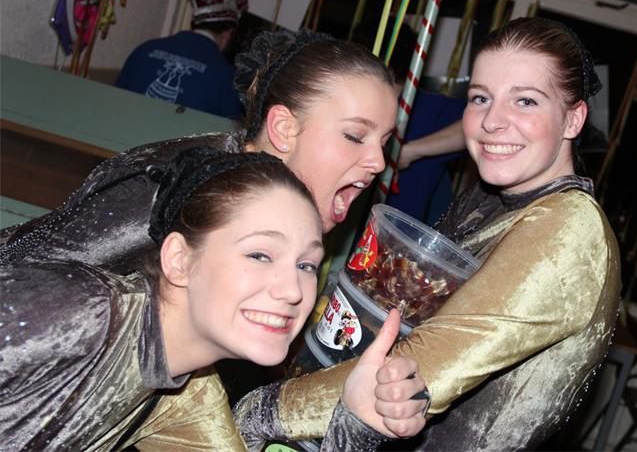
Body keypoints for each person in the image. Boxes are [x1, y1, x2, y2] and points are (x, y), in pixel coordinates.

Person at [232, 17, 623, 451]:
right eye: (480, 98)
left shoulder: (569, 228)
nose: (492, 121)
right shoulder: (487, 199)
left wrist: (259, 411)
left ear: (573, 119)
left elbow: (419, 366)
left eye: (525, 101)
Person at [0, 150, 427, 450]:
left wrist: (358, 422)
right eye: (260, 255)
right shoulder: (81, 311)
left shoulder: (183, 394)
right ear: (180, 260)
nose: (293, 291)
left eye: (306, 265)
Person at [0, 29, 397, 270]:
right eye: (354, 136)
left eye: (384, 142)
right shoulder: (174, 193)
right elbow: (32, 272)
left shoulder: (273, 208)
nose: (378, 162)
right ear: (283, 129)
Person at [114, 0, 247, 119]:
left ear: (193, 22)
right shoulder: (227, 79)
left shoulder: (144, 51)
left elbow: (113, 107)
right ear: (228, 33)